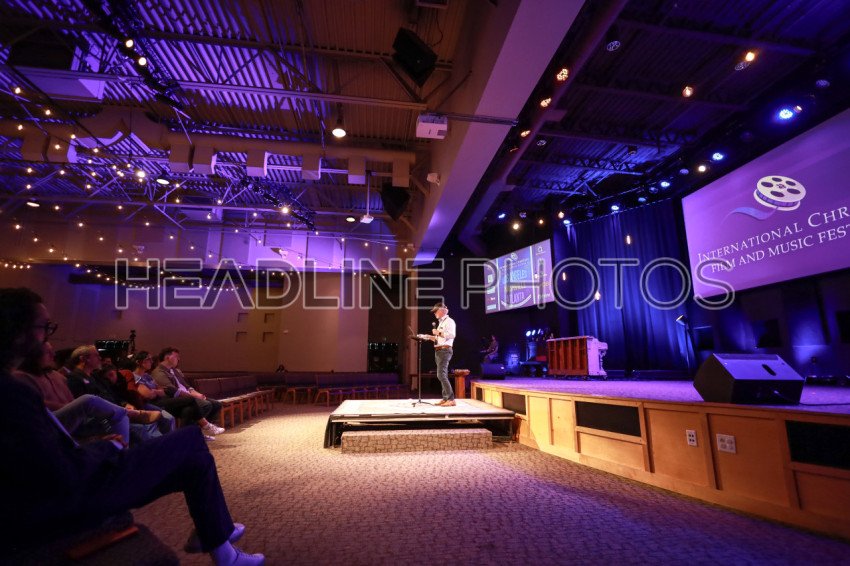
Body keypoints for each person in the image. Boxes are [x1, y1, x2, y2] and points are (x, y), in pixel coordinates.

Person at [0, 287, 264, 564]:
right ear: (17, 330)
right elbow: (58, 472)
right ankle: (219, 542)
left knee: (194, 454)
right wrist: (105, 448)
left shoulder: (11, 386)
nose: (48, 338)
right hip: (73, 498)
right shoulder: (10, 391)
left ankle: (222, 548)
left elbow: (42, 458)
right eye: (44, 327)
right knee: (190, 440)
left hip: (72, 486)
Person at [151, 347, 225, 437]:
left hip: (187, 396)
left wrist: (197, 394)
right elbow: (173, 391)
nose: (179, 359)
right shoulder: (159, 372)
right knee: (205, 405)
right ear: (167, 358)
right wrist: (193, 396)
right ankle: (195, 432)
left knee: (216, 404)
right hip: (177, 399)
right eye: (176, 356)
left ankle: (197, 432)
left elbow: (186, 386)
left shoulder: (174, 370)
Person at [429, 302, 456, 406]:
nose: (434, 313)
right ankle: (445, 398)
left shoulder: (449, 321)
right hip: (439, 350)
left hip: (445, 350)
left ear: (441, 310)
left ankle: (451, 399)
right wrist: (430, 337)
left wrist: (438, 333)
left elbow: (452, 335)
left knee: (441, 374)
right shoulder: (441, 322)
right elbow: (440, 338)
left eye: (435, 311)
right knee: (442, 374)